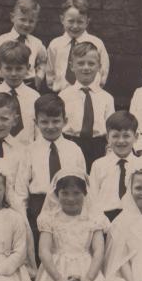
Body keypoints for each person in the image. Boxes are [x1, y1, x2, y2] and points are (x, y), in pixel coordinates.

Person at [15, 94, 86, 268]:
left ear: (65, 120)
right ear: (36, 122)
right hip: (38, 207)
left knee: (64, 250)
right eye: (44, 122)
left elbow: (83, 185)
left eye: (56, 121)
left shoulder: (74, 149)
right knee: (42, 251)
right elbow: (21, 188)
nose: (50, 126)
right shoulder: (29, 151)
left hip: (68, 205)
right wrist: (23, 218)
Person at [88, 111, 142, 221]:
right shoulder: (98, 165)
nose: (121, 141)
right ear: (107, 138)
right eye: (115, 136)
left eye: (126, 136)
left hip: (136, 218)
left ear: (135, 137)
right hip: (105, 218)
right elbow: (92, 198)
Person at [59, 41, 114, 168]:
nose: (86, 67)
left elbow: (111, 129)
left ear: (99, 66)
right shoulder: (64, 95)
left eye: (91, 63)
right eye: (80, 63)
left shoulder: (106, 98)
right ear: (72, 66)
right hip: (71, 143)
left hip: (98, 147)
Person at [0, 41, 39, 145]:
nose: (13, 74)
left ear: (28, 68)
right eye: (8, 68)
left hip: (26, 154)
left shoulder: (34, 97)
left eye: (19, 69)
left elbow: (39, 133)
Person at [45, 0, 110, 93]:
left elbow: (103, 71)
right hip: (61, 94)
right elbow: (50, 71)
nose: (75, 26)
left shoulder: (96, 43)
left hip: (87, 93)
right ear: (62, 19)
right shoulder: (55, 44)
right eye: (71, 21)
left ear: (87, 22)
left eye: (80, 22)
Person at [0, 0, 47, 91]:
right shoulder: (1, 41)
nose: (26, 24)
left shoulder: (36, 43)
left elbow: (43, 61)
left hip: (28, 86)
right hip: (3, 85)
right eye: (23, 19)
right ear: (12, 17)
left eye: (31, 21)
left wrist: (39, 76)